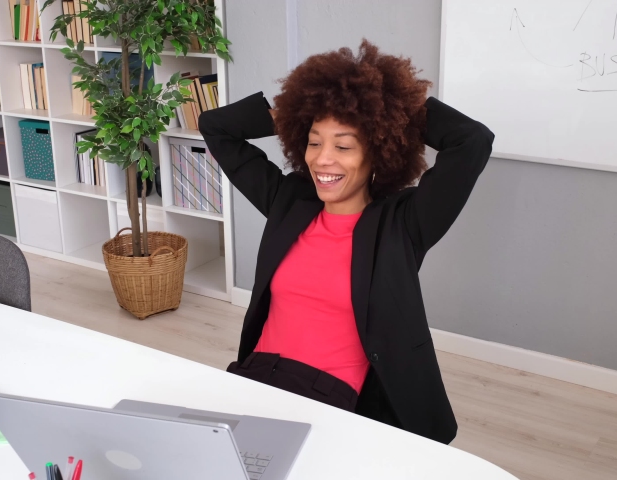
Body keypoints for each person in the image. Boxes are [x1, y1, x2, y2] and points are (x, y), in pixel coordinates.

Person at [198, 39, 494, 444]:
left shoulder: (402, 225)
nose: (322, 159)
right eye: (314, 141)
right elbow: (216, 127)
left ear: (377, 152)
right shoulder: (289, 202)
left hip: (332, 400)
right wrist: (292, 112)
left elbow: (472, 141)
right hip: (256, 377)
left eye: (343, 145)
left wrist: (394, 114)